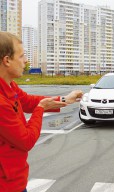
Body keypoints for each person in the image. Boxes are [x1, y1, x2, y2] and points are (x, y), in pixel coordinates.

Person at [0, 31, 83, 192]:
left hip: (15, 180)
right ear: (7, 60)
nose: (26, 60)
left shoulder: (9, 86)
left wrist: (66, 99)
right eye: (22, 56)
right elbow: (26, 140)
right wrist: (40, 110)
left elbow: (29, 101)